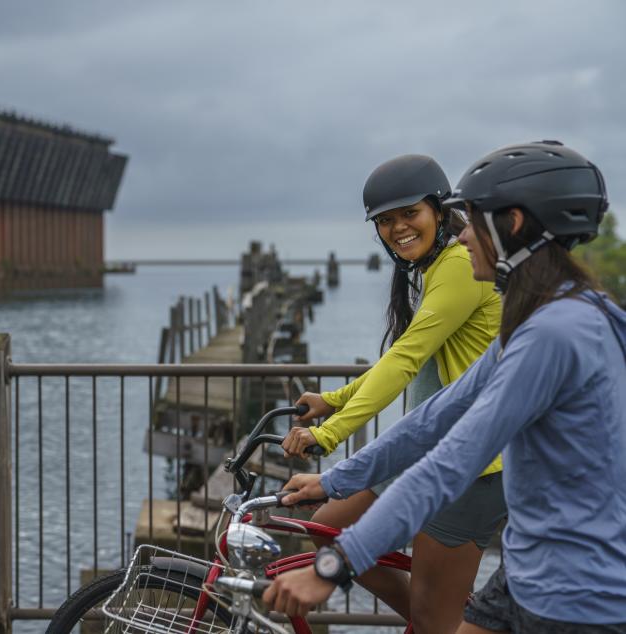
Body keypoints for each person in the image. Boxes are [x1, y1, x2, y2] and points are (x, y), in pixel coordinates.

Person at [266, 141, 626, 633]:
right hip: (526, 571)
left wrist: (335, 565)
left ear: (513, 226)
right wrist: (335, 480)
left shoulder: (556, 333)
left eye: (473, 221)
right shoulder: (537, 318)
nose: (462, 240)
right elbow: (434, 419)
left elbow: (451, 461)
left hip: (578, 597)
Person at [281, 154, 505, 632]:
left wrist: (330, 434)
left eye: (410, 213)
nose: (398, 228)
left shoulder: (459, 265)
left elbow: (404, 361)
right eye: (385, 221)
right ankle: (441, 619)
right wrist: (334, 400)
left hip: (473, 466)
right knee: (328, 529)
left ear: (439, 212)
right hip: (425, 451)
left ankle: (442, 622)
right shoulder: (431, 268)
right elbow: (405, 355)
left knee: (432, 620)